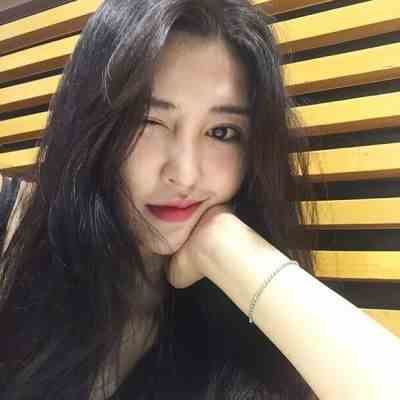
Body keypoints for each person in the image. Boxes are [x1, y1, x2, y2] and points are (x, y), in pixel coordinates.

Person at [0, 0, 399, 399]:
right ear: (93, 124)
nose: (185, 174)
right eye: (148, 121)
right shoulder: (12, 227)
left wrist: (229, 251)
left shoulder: (245, 336)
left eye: (222, 132)